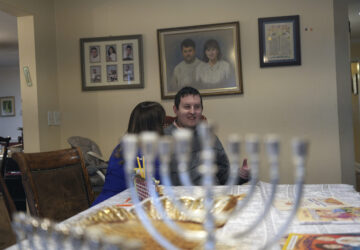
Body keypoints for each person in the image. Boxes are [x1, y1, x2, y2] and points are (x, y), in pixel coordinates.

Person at [164, 86, 249, 185]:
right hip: (180, 198)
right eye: (187, 107)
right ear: (175, 110)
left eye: (197, 107)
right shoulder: (164, 139)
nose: (192, 112)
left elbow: (223, 175)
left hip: (213, 196)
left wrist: (241, 175)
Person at [92, 101, 166, 206]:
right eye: (162, 123)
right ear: (155, 127)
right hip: (119, 206)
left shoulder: (121, 147)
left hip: (103, 201)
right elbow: (157, 187)